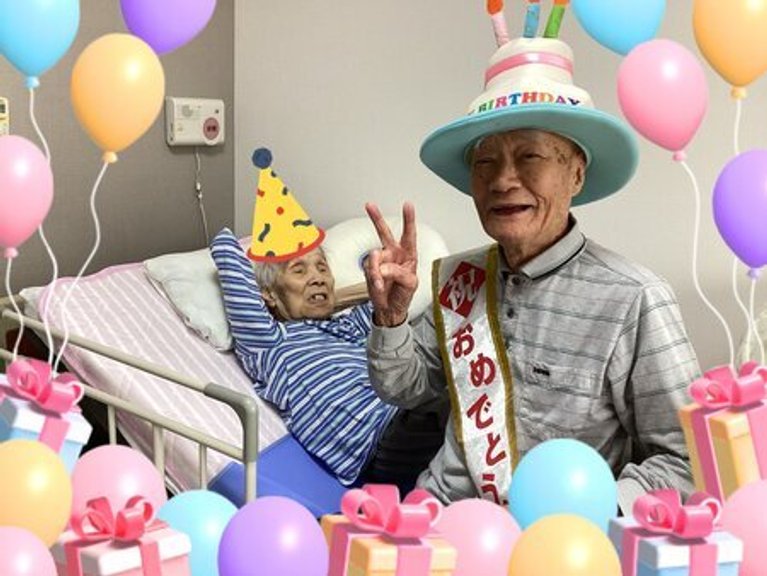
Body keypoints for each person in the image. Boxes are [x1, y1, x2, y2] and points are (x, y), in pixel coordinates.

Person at [362, 35, 698, 513]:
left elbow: (686, 461)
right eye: (485, 162)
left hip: (556, 535)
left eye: (529, 156)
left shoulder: (634, 298)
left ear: (576, 174)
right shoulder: (459, 278)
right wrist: (391, 318)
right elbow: (403, 388)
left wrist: (594, 512)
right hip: (439, 520)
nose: (502, 180)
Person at [210, 148, 446, 489]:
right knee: (463, 404)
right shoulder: (269, 341)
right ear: (269, 294)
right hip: (380, 441)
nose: (318, 277)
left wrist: (342, 299)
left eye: (322, 268)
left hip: (408, 410)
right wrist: (334, 297)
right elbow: (224, 247)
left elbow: (389, 308)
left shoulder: (350, 325)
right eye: (299, 270)